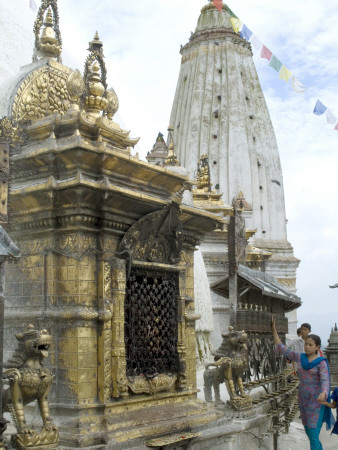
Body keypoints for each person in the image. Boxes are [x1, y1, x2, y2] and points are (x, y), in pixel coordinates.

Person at [272, 316, 332, 449]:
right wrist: (274, 330)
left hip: (316, 401)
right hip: (303, 400)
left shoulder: (321, 362)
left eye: (310, 345)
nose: (307, 347)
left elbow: (325, 380)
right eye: (306, 344)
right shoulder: (300, 357)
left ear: (317, 347)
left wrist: (324, 392)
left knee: (313, 434)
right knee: (309, 433)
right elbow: (283, 349)